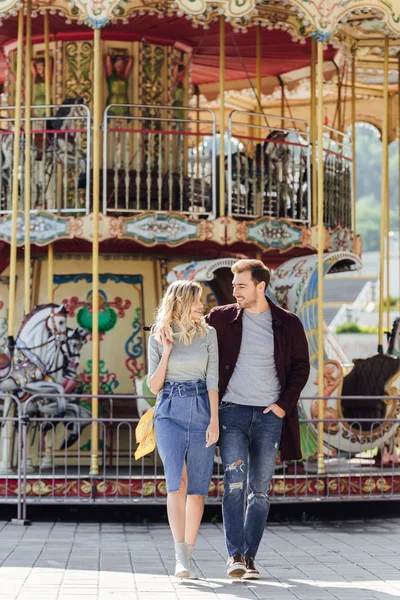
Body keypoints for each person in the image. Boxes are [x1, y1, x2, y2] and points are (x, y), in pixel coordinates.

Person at [206, 259, 310, 580]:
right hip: (232, 413)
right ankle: (234, 555)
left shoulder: (287, 323)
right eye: (234, 285)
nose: (234, 290)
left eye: (241, 285)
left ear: (260, 286)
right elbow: (195, 335)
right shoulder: (221, 318)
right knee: (234, 485)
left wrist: (282, 406)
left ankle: (250, 557)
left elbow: (300, 368)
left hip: (269, 417)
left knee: (260, 492)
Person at [148, 280, 219, 579]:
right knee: (177, 481)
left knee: (198, 489)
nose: (202, 306)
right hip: (169, 411)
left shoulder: (209, 334)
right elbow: (153, 386)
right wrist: (166, 351)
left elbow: (213, 380)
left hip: (202, 407)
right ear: (180, 301)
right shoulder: (159, 334)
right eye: (197, 300)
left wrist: (215, 420)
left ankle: (188, 551)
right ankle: (180, 556)